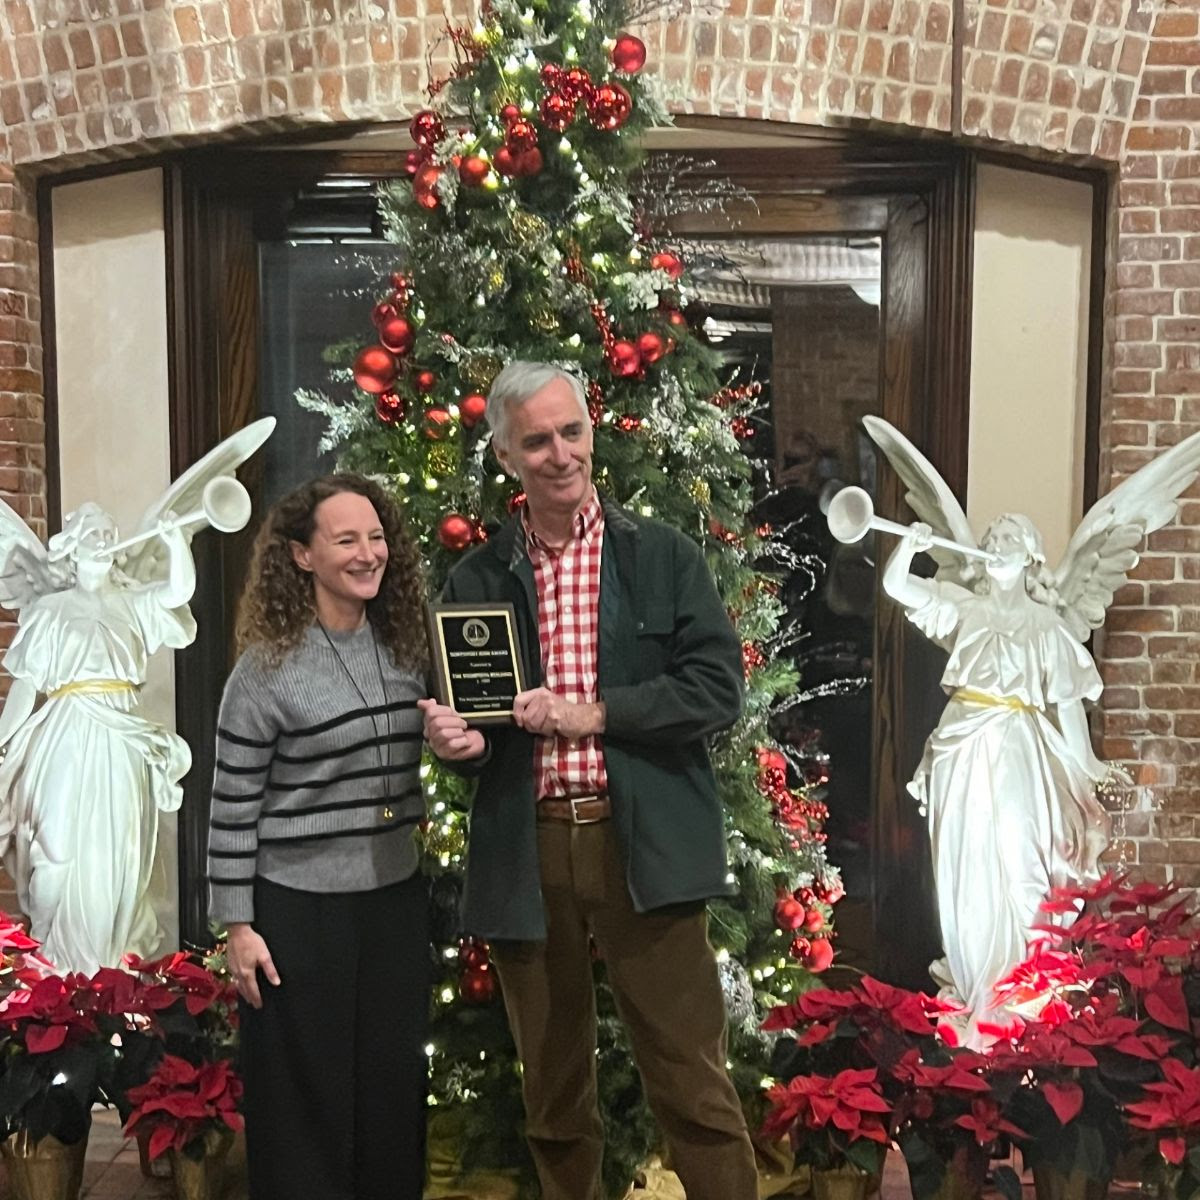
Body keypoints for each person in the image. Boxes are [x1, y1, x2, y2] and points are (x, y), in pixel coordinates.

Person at [419, 361, 758, 1200]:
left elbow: (717, 692)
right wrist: (456, 745)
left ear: (592, 432)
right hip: (527, 854)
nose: (560, 453)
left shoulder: (664, 557)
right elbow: (479, 736)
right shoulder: (475, 581)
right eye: (536, 440)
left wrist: (594, 714)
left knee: (692, 1085)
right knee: (554, 1098)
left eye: (571, 432)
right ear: (506, 455)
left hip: (643, 847)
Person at [206, 474, 430, 1200]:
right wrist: (238, 926)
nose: (369, 554)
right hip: (297, 913)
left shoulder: (405, 650)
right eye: (347, 540)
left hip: (393, 903)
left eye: (376, 537)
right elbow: (233, 806)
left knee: (391, 1092)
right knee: (306, 1103)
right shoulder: (264, 672)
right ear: (301, 557)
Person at [883, 513, 1111, 1045]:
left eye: (1011, 536)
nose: (998, 543)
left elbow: (1069, 704)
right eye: (994, 537)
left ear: (1031, 554)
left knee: (1023, 858)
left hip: (1016, 744)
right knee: (967, 863)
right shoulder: (967, 608)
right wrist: (907, 548)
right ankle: (979, 984)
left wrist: (1085, 772)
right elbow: (897, 586)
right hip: (962, 742)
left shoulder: (1046, 625)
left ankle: (1028, 988)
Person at [0, 502, 194, 974]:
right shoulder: (51, 609)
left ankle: (110, 976)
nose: (105, 541)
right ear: (72, 546)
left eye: (110, 532)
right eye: (94, 534)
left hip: (121, 738)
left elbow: (177, 590)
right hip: (67, 731)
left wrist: (173, 542)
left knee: (117, 853)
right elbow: (27, 686)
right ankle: (55, 967)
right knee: (57, 847)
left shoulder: (131, 602)